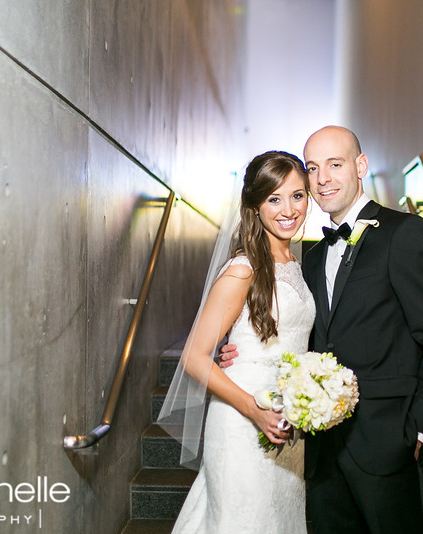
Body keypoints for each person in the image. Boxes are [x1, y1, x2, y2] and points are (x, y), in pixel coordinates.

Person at [221, 126, 423, 533]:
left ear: (360, 166)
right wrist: (233, 353)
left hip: (391, 444)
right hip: (322, 450)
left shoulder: (404, 234)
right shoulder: (310, 259)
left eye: (335, 165)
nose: (323, 179)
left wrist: (420, 430)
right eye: (313, 168)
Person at [158, 150, 315, 533]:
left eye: (297, 195)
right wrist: (254, 410)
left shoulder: (296, 264)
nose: (288, 209)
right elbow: (194, 357)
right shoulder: (243, 268)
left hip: (286, 421)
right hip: (243, 419)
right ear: (255, 206)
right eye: (274, 198)